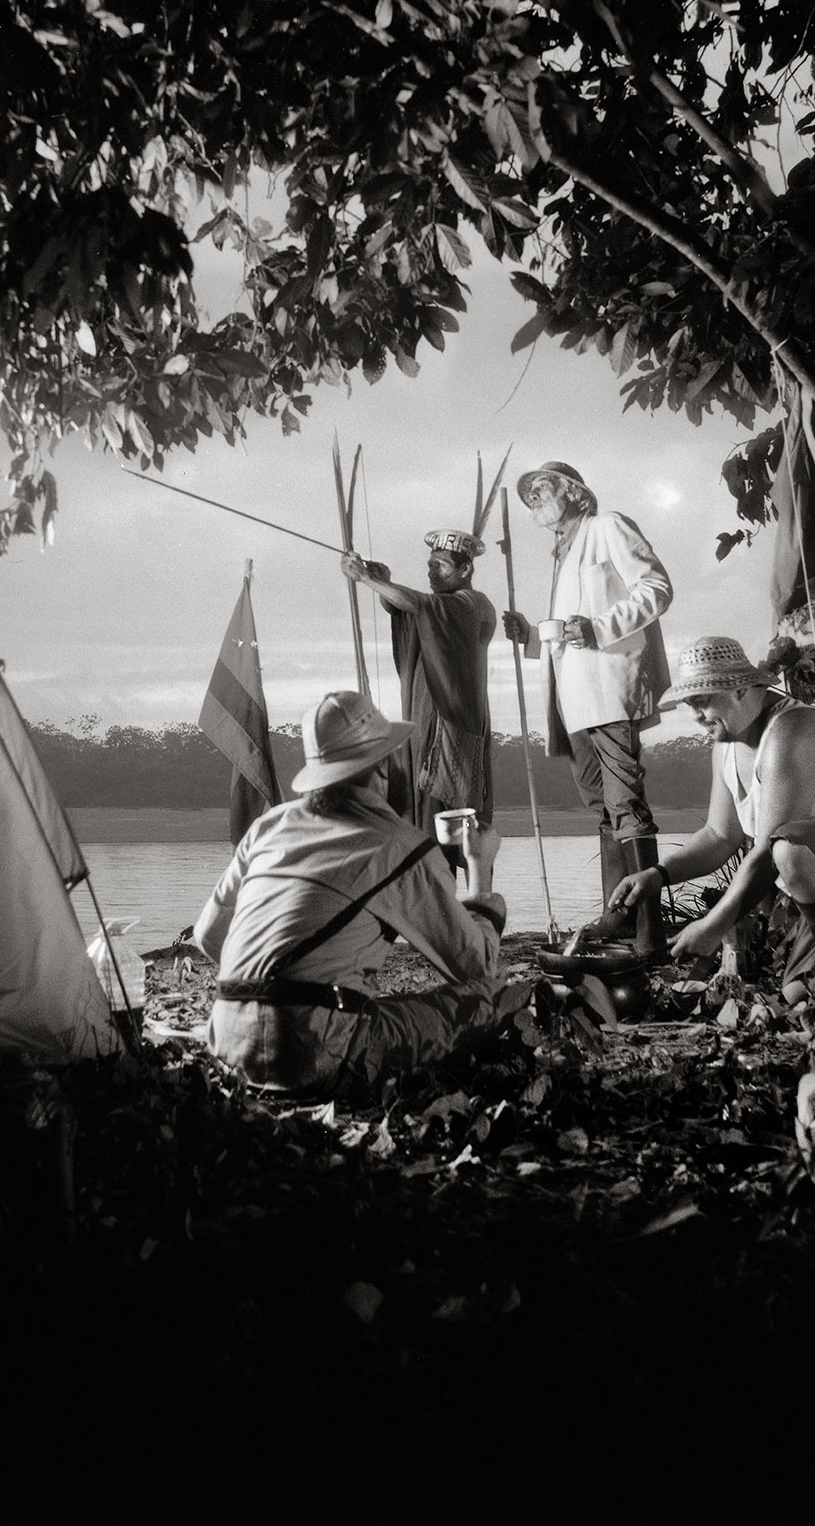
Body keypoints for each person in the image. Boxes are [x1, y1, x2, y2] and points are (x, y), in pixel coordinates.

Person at [596, 635, 815, 1023]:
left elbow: (768, 854)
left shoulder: (792, 731)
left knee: (790, 848)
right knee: (799, 990)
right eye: (689, 704)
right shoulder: (728, 743)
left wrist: (715, 925)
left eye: (702, 701)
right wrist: (658, 874)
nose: (695, 715)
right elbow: (719, 836)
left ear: (742, 690)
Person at [194, 691, 532, 1093]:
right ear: (383, 766)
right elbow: (477, 966)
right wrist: (479, 865)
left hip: (229, 1043)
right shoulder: (397, 845)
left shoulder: (270, 825)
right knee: (496, 996)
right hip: (313, 1053)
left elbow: (209, 937)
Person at [501, 462, 673, 953]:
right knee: (602, 806)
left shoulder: (607, 527)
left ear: (574, 492)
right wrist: (530, 637)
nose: (533, 498)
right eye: (528, 494)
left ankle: (648, 931)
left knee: (625, 803)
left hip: (609, 686)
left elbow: (657, 588)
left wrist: (599, 627)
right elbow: (564, 634)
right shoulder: (562, 554)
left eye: (541, 489)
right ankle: (618, 917)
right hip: (570, 696)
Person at [341, 529, 497, 831]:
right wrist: (382, 581)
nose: (432, 573)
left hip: (454, 724)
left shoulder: (472, 604)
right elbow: (404, 607)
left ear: (465, 570)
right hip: (424, 718)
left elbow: (417, 604)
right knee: (423, 814)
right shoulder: (438, 608)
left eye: (441, 565)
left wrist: (367, 580)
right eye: (429, 566)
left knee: (450, 817)